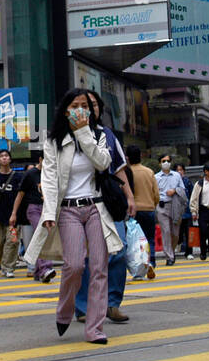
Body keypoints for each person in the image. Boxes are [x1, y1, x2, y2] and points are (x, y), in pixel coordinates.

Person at [25, 88, 124, 344]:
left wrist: (84, 133)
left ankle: (95, 329)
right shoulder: (53, 141)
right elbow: (48, 179)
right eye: (75, 105)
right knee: (75, 265)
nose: (81, 110)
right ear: (65, 110)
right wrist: (48, 212)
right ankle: (65, 309)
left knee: (100, 268)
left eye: (85, 106)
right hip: (68, 209)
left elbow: (103, 162)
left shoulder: (100, 135)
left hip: (96, 208)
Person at [71, 91, 135, 324]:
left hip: (108, 199)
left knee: (119, 248)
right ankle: (83, 306)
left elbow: (119, 168)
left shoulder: (107, 135)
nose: (89, 109)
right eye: (83, 105)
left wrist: (129, 196)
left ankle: (112, 303)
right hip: (79, 203)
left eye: (93, 104)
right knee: (83, 257)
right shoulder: (67, 136)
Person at [10, 152, 56, 282]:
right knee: (42, 235)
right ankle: (46, 268)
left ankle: (37, 271)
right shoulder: (30, 174)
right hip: (34, 209)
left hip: (48, 208)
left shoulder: (52, 174)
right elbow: (20, 195)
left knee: (43, 237)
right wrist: (14, 213)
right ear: (40, 159)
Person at [0, 148, 21, 277]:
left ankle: (9, 268)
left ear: (10, 159)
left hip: (13, 216)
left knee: (12, 241)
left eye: (7, 156)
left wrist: (16, 213)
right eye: (2, 156)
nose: (4, 158)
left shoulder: (17, 177)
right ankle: (3, 264)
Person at [127, 145, 159, 266]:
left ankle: (139, 264)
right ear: (140, 156)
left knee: (135, 241)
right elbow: (156, 194)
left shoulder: (126, 172)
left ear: (128, 158)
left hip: (133, 211)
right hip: (148, 209)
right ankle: (151, 262)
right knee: (149, 238)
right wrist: (152, 204)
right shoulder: (149, 172)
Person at [154, 154, 185, 266]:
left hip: (175, 205)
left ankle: (171, 251)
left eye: (168, 161)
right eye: (163, 161)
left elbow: (183, 189)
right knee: (166, 231)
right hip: (162, 206)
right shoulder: (156, 177)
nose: (166, 163)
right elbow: (154, 192)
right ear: (159, 163)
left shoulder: (177, 175)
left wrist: (174, 190)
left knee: (175, 232)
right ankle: (169, 256)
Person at [175, 163, 193, 257]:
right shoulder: (173, 183)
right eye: (178, 170)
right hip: (177, 212)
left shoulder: (188, 182)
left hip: (188, 211)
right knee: (178, 233)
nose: (180, 172)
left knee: (189, 232)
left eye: (181, 170)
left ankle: (189, 252)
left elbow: (192, 195)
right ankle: (178, 245)